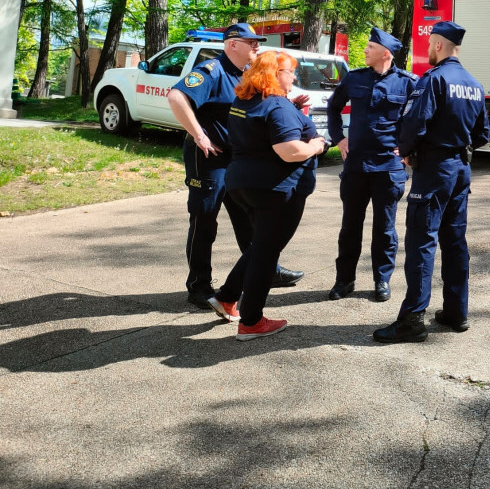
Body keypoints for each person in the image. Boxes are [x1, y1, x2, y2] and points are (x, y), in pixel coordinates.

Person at [168, 23, 306, 310]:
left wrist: (289, 102)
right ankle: (199, 286)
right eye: (251, 43)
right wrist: (199, 134)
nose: (257, 47)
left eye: (258, 43)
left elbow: (255, 109)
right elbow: (176, 96)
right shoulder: (211, 71)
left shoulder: (246, 75)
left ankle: (269, 268)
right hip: (208, 158)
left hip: (237, 159)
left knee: (251, 220)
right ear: (232, 44)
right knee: (205, 220)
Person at [373, 21, 490, 344]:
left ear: (438, 45)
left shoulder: (433, 81)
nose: (427, 49)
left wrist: (408, 152)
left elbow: (413, 123)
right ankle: (456, 312)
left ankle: (412, 320)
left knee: (421, 243)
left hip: (434, 171)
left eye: (429, 43)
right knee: (454, 242)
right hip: (460, 170)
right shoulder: (474, 84)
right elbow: (482, 135)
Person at [208, 51, 330, 340]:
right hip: (275, 192)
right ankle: (251, 321)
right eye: (290, 72)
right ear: (275, 74)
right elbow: (289, 151)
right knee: (265, 254)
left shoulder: (244, 101)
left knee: (259, 247)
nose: (294, 77)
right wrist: (316, 145)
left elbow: (263, 128)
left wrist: (290, 108)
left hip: (243, 185)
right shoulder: (277, 107)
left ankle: (226, 297)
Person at [325, 27, 416, 303]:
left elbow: (417, 119)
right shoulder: (354, 79)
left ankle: (382, 280)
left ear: (385, 53)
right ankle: (344, 280)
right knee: (350, 226)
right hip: (356, 166)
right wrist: (339, 138)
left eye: (370, 47)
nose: (364, 50)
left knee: (385, 229)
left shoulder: (408, 82)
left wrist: (408, 147)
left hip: (388, 167)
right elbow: (333, 107)